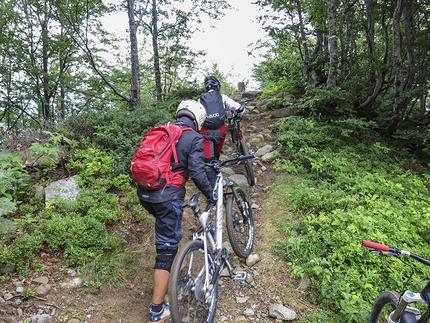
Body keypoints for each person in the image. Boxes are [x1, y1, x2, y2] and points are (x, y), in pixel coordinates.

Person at [136, 100, 213, 323]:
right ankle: (156, 311)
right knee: (167, 249)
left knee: (165, 232)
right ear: (198, 119)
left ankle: (169, 261)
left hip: (145, 194)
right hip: (167, 197)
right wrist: (211, 194)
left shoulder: (163, 129)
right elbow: (198, 174)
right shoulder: (194, 137)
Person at [199, 75, 245, 184]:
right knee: (216, 153)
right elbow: (239, 108)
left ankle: (211, 190)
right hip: (220, 132)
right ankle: (217, 165)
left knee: (208, 161)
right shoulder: (222, 96)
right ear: (217, 86)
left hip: (205, 133)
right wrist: (241, 114)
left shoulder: (200, 99)